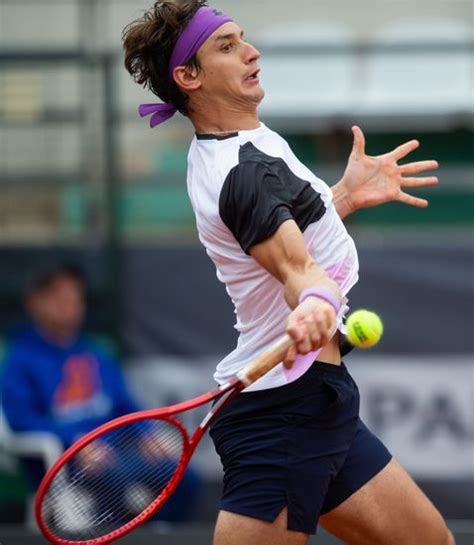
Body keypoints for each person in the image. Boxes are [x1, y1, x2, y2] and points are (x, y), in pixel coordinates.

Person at [122, 2, 452, 544]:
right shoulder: (242, 173)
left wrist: (340, 199)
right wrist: (317, 302)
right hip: (280, 414)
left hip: (318, 399)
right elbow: (296, 270)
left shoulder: (240, 146)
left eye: (243, 39)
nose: (251, 52)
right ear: (189, 77)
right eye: (226, 47)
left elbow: (279, 238)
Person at [1, 262, 199, 523]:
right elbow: (21, 420)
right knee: (114, 482)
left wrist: (147, 434)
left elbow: (125, 406)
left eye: (74, 297)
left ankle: (158, 532)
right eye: (58, 297)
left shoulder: (95, 354)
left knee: (185, 477)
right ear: (34, 302)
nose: (68, 304)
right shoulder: (20, 359)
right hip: (63, 464)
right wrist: (74, 441)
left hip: (114, 455)